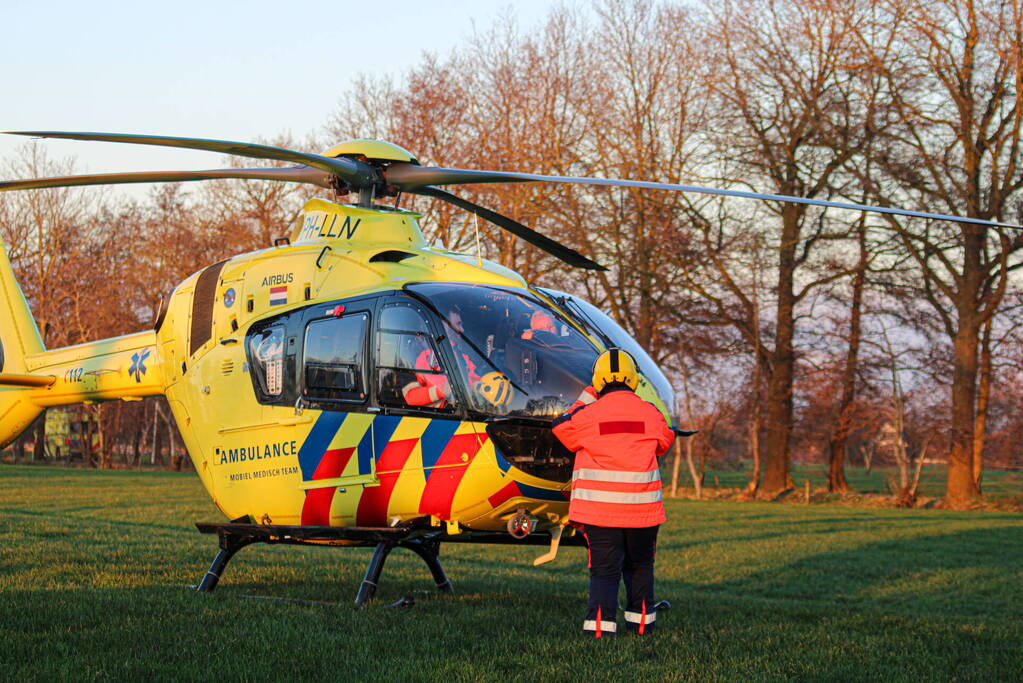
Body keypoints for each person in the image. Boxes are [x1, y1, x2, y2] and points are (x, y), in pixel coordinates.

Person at [552, 348, 675, 638]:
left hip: (600, 511)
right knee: (641, 567)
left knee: (604, 572)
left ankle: (599, 629)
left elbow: (560, 427)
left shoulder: (587, 414)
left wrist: (586, 396)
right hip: (643, 511)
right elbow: (664, 442)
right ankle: (642, 625)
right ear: (633, 379)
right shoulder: (651, 412)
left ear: (598, 381)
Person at [402, 307, 480, 408]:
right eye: (458, 324)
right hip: (434, 420)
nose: (462, 329)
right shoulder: (424, 357)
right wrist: (443, 389)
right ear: (445, 326)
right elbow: (410, 396)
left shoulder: (464, 358)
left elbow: (477, 383)